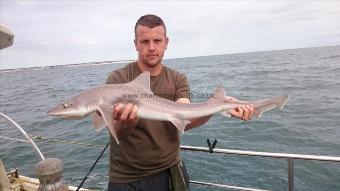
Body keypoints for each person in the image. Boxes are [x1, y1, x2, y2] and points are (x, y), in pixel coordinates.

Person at [106, 14, 254, 191]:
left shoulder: (178, 79)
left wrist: (217, 106)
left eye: (157, 41)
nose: (151, 47)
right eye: (145, 41)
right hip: (126, 177)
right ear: (136, 43)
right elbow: (118, 133)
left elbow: (184, 117)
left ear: (166, 42)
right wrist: (126, 124)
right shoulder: (118, 79)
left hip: (169, 170)